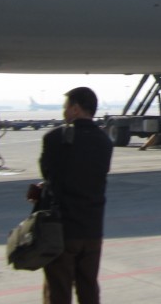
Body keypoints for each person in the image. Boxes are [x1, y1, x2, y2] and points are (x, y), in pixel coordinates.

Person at [39, 87, 113, 304]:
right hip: (92, 229)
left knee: (58, 289)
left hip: (62, 229)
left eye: (66, 107)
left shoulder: (54, 138)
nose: (64, 112)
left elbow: (48, 173)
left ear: (75, 108)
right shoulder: (105, 142)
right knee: (89, 286)